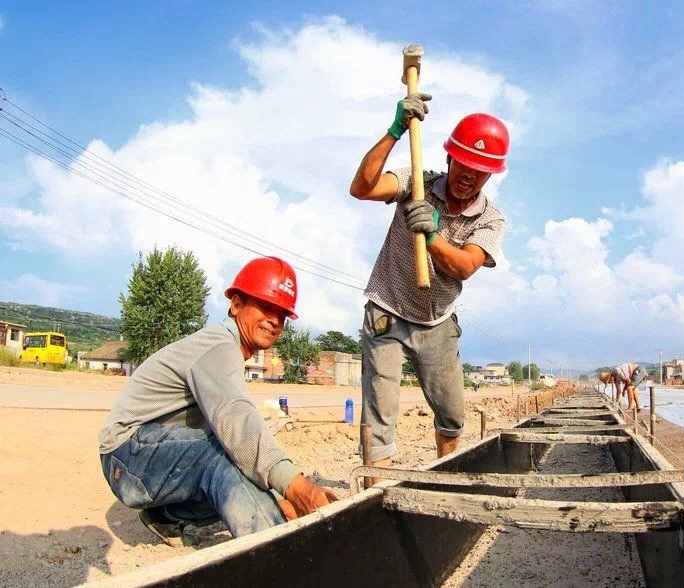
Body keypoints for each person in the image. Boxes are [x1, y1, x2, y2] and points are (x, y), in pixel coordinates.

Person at [98, 257, 338, 546]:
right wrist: (296, 488)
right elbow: (239, 424)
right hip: (128, 454)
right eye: (266, 307)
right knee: (224, 456)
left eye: (282, 314)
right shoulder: (218, 346)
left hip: (146, 455)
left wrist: (276, 503)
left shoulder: (228, 350)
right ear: (235, 305)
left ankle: (167, 517)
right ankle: (277, 554)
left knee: (241, 460)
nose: (275, 320)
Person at [349, 91, 508, 478]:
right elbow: (363, 188)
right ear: (450, 157)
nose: (469, 176)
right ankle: (375, 492)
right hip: (387, 309)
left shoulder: (490, 219)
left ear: (490, 175)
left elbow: (465, 266)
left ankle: (443, 479)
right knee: (379, 414)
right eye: (464, 164)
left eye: (480, 171)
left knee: (452, 416)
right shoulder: (415, 181)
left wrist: (433, 237)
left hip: (437, 321)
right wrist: (394, 132)